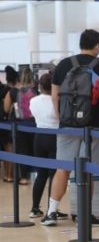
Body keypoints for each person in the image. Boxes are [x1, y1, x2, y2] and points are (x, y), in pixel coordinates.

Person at [41, 29, 99, 226]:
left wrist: (63, 119)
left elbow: (55, 95)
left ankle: (51, 212)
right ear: (98, 46)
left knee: (63, 168)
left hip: (67, 125)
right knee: (87, 170)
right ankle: (85, 214)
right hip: (95, 126)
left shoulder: (63, 65)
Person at [29, 72, 63, 218]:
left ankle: (35, 208)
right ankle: (51, 210)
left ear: (40, 86)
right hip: (55, 137)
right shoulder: (57, 101)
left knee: (40, 175)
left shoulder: (33, 100)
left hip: (39, 136)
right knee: (54, 175)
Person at [4, 66, 37, 184]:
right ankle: (40, 175)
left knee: (22, 151)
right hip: (35, 124)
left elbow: (6, 109)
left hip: (20, 125)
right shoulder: (36, 90)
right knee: (35, 150)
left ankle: (23, 177)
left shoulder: (13, 92)